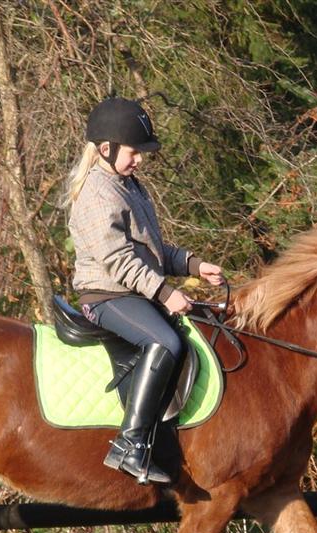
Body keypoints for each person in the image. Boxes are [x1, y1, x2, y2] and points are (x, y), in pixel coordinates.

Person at [64, 97, 226, 484]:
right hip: (105, 297)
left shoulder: (127, 186)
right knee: (165, 344)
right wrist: (166, 293)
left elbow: (151, 249)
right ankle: (129, 443)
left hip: (132, 292)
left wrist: (193, 265)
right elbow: (118, 261)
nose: (139, 160)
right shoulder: (96, 194)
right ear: (106, 149)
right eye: (134, 152)